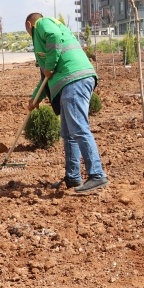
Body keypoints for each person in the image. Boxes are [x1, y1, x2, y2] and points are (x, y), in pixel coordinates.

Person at [25, 13, 109, 193]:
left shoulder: (42, 23)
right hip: (69, 80)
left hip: (74, 79)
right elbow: (46, 77)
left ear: (29, 24)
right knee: (68, 133)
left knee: (78, 128)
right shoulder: (45, 44)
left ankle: (97, 174)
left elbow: (53, 45)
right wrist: (35, 99)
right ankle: (73, 177)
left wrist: (50, 65)